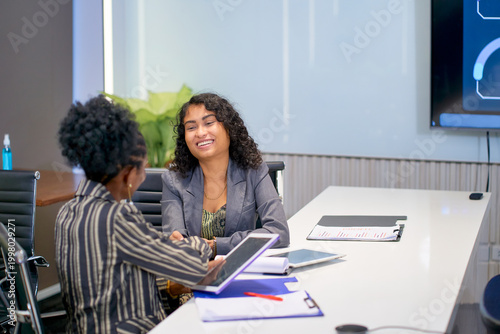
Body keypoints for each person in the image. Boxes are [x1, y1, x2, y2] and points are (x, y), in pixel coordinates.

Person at [55, 95, 217, 333]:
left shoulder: (67, 211)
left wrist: (170, 274)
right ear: (127, 175)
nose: (143, 176)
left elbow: (113, 275)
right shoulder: (115, 217)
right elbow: (192, 267)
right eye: (144, 167)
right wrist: (207, 247)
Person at [161, 93, 290, 257]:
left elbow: (279, 233)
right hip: (195, 274)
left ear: (229, 128)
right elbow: (175, 239)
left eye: (209, 123)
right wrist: (175, 241)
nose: (200, 133)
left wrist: (217, 246)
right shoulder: (174, 181)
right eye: (191, 127)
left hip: (241, 272)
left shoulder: (254, 172)